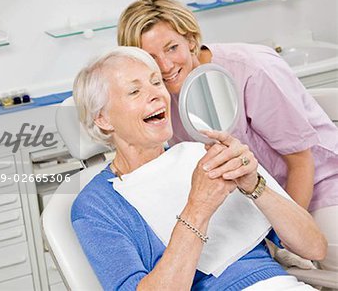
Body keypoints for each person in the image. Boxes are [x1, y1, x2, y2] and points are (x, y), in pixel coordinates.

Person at [71, 46, 327, 290]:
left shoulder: (202, 155)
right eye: (135, 91)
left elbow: (315, 248)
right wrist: (198, 208)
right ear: (103, 119)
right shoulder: (96, 206)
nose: (157, 94)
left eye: (156, 82)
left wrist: (255, 185)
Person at [117, 0, 338, 271]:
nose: (165, 66)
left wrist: (285, 240)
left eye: (172, 48)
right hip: (251, 207)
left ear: (191, 39)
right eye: (151, 58)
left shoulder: (252, 71)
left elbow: (301, 161)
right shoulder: (160, 99)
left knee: (325, 256)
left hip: (317, 187)